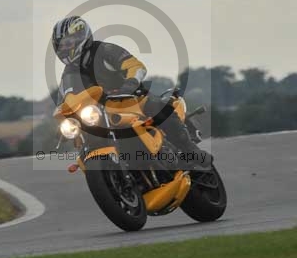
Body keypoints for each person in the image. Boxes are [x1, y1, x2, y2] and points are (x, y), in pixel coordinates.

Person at [52, 15, 212, 168]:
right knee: (86, 144)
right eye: (61, 45)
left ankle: (191, 151)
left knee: (160, 108)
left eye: (68, 43)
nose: (65, 48)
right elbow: (66, 100)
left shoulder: (105, 50)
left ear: (81, 37)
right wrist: (65, 120)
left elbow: (136, 66)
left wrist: (130, 84)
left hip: (132, 99)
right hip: (102, 114)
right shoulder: (69, 74)